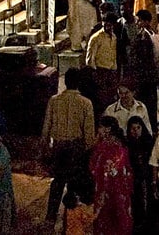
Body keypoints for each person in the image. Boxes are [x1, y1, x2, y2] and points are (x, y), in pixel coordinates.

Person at [42, 68, 96, 223]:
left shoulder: (54, 100)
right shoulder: (86, 103)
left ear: (65, 82)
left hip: (58, 147)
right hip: (76, 147)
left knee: (57, 182)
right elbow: (89, 133)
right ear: (79, 83)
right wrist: (88, 153)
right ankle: (71, 221)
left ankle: (50, 218)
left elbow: (46, 127)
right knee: (74, 184)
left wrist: (45, 148)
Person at [90, 117, 134, 235]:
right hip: (118, 189)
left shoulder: (109, 147)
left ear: (107, 129)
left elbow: (100, 168)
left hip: (110, 188)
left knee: (109, 220)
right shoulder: (119, 146)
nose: (98, 130)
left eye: (100, 127)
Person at [125, 117, 154, 235]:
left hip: (147, 179)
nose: (135, 131)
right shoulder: (126, 145)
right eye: (132, 128)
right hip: (132, 180)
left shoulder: (148, 142)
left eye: (138, 127)